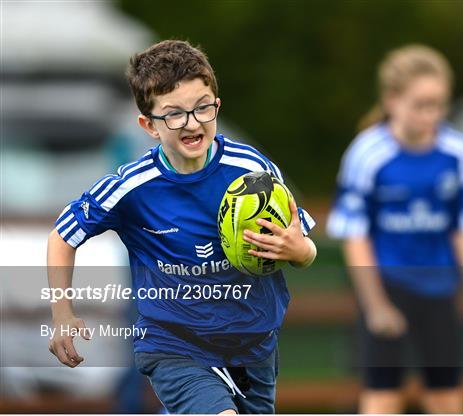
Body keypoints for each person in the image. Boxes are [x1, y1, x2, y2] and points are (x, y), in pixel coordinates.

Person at [47, 39, 317, 414]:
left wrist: (299, 250)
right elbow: (63, 234)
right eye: (174, 114)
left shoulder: (252, 171)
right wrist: (62, 313)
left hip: (254, 346)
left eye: (202, 108)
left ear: (216, 106)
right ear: (149, 125)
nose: (192, 123)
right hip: (174, 345)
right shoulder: (133, 187)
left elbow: (304, 247)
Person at [326, 44, 463, 413]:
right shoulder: (368, 153)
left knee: (447, 394)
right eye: (420, 104)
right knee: (382, 394)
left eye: (438, 104)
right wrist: (376, 306)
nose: (431, 115)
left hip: (439, 289)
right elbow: (354, 235)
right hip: (387, 284)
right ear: (392, 100)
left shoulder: (457, 153)